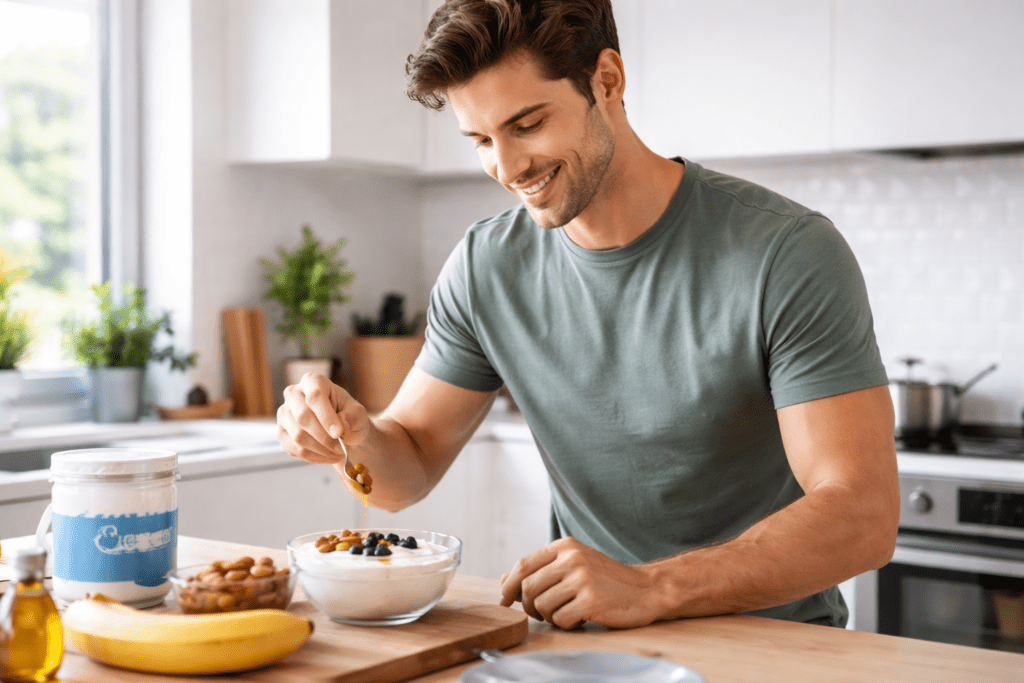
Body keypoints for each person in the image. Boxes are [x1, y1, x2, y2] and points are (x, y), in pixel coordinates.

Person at [276, 0, 900, 630]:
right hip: (588, 654)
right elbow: (404, 469)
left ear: (607, 81)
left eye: (527, 125)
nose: (507, 167)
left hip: (776, 649)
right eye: (481, 141)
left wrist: (652, 587)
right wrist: (351, 436)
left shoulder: (785, 251)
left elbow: (863, 515)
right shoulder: (485, 266)